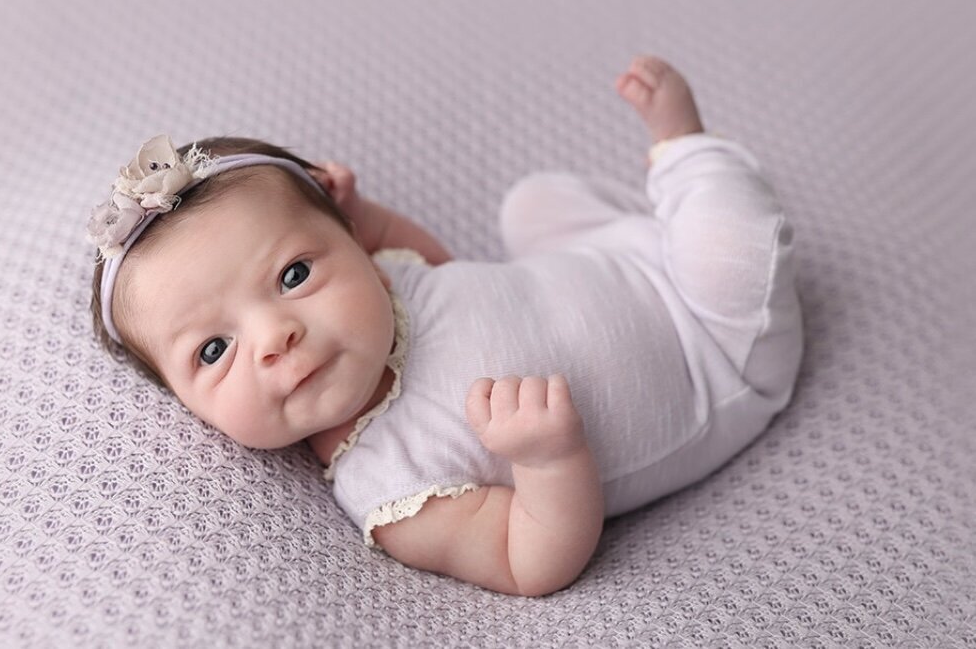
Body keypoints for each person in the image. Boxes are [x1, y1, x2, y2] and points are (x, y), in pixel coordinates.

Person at [87, 56, 803, 597]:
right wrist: (548, 460)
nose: (275, 337)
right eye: (215, 349)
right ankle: (685, 151)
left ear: (351, 245)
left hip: (615, 259)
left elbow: (443, 266)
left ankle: (670, 208)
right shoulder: (395, 486)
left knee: (530, 203)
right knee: (728, 249)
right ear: (185, 401)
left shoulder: (385, 282)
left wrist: (365, 216)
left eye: (295, 274)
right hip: (713, 353)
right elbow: (529, 561)